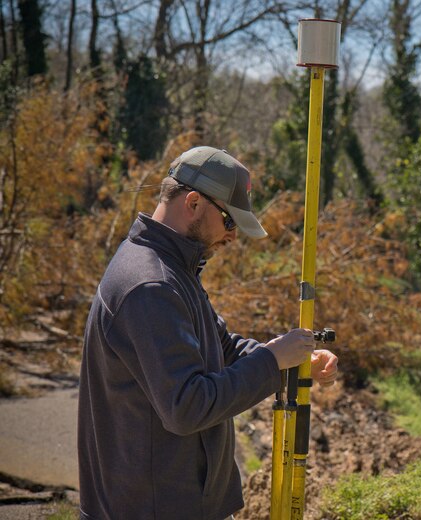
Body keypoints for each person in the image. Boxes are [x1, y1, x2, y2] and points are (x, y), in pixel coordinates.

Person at [77, 146, 338, 520]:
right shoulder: (151, 284)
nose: (233, 237)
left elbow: (223, 348)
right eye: (230, 222)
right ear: (195, 202)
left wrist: (295, 362)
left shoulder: (171, 269)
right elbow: (187, 406)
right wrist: (271, 360)